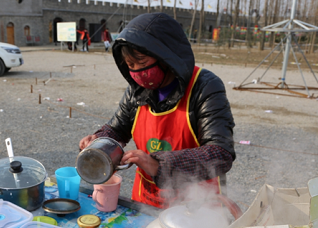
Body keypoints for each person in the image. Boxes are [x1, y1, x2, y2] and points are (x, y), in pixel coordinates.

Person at [79, 13, 235, 209]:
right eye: (130, 66)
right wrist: (99, 142)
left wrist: (159, 165)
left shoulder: (205, 86)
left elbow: (221, 153)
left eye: (142, 63)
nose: (137, 73)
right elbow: (117, 130)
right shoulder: (136, 92)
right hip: (147, 204)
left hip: (198, 210)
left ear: (165, 56)